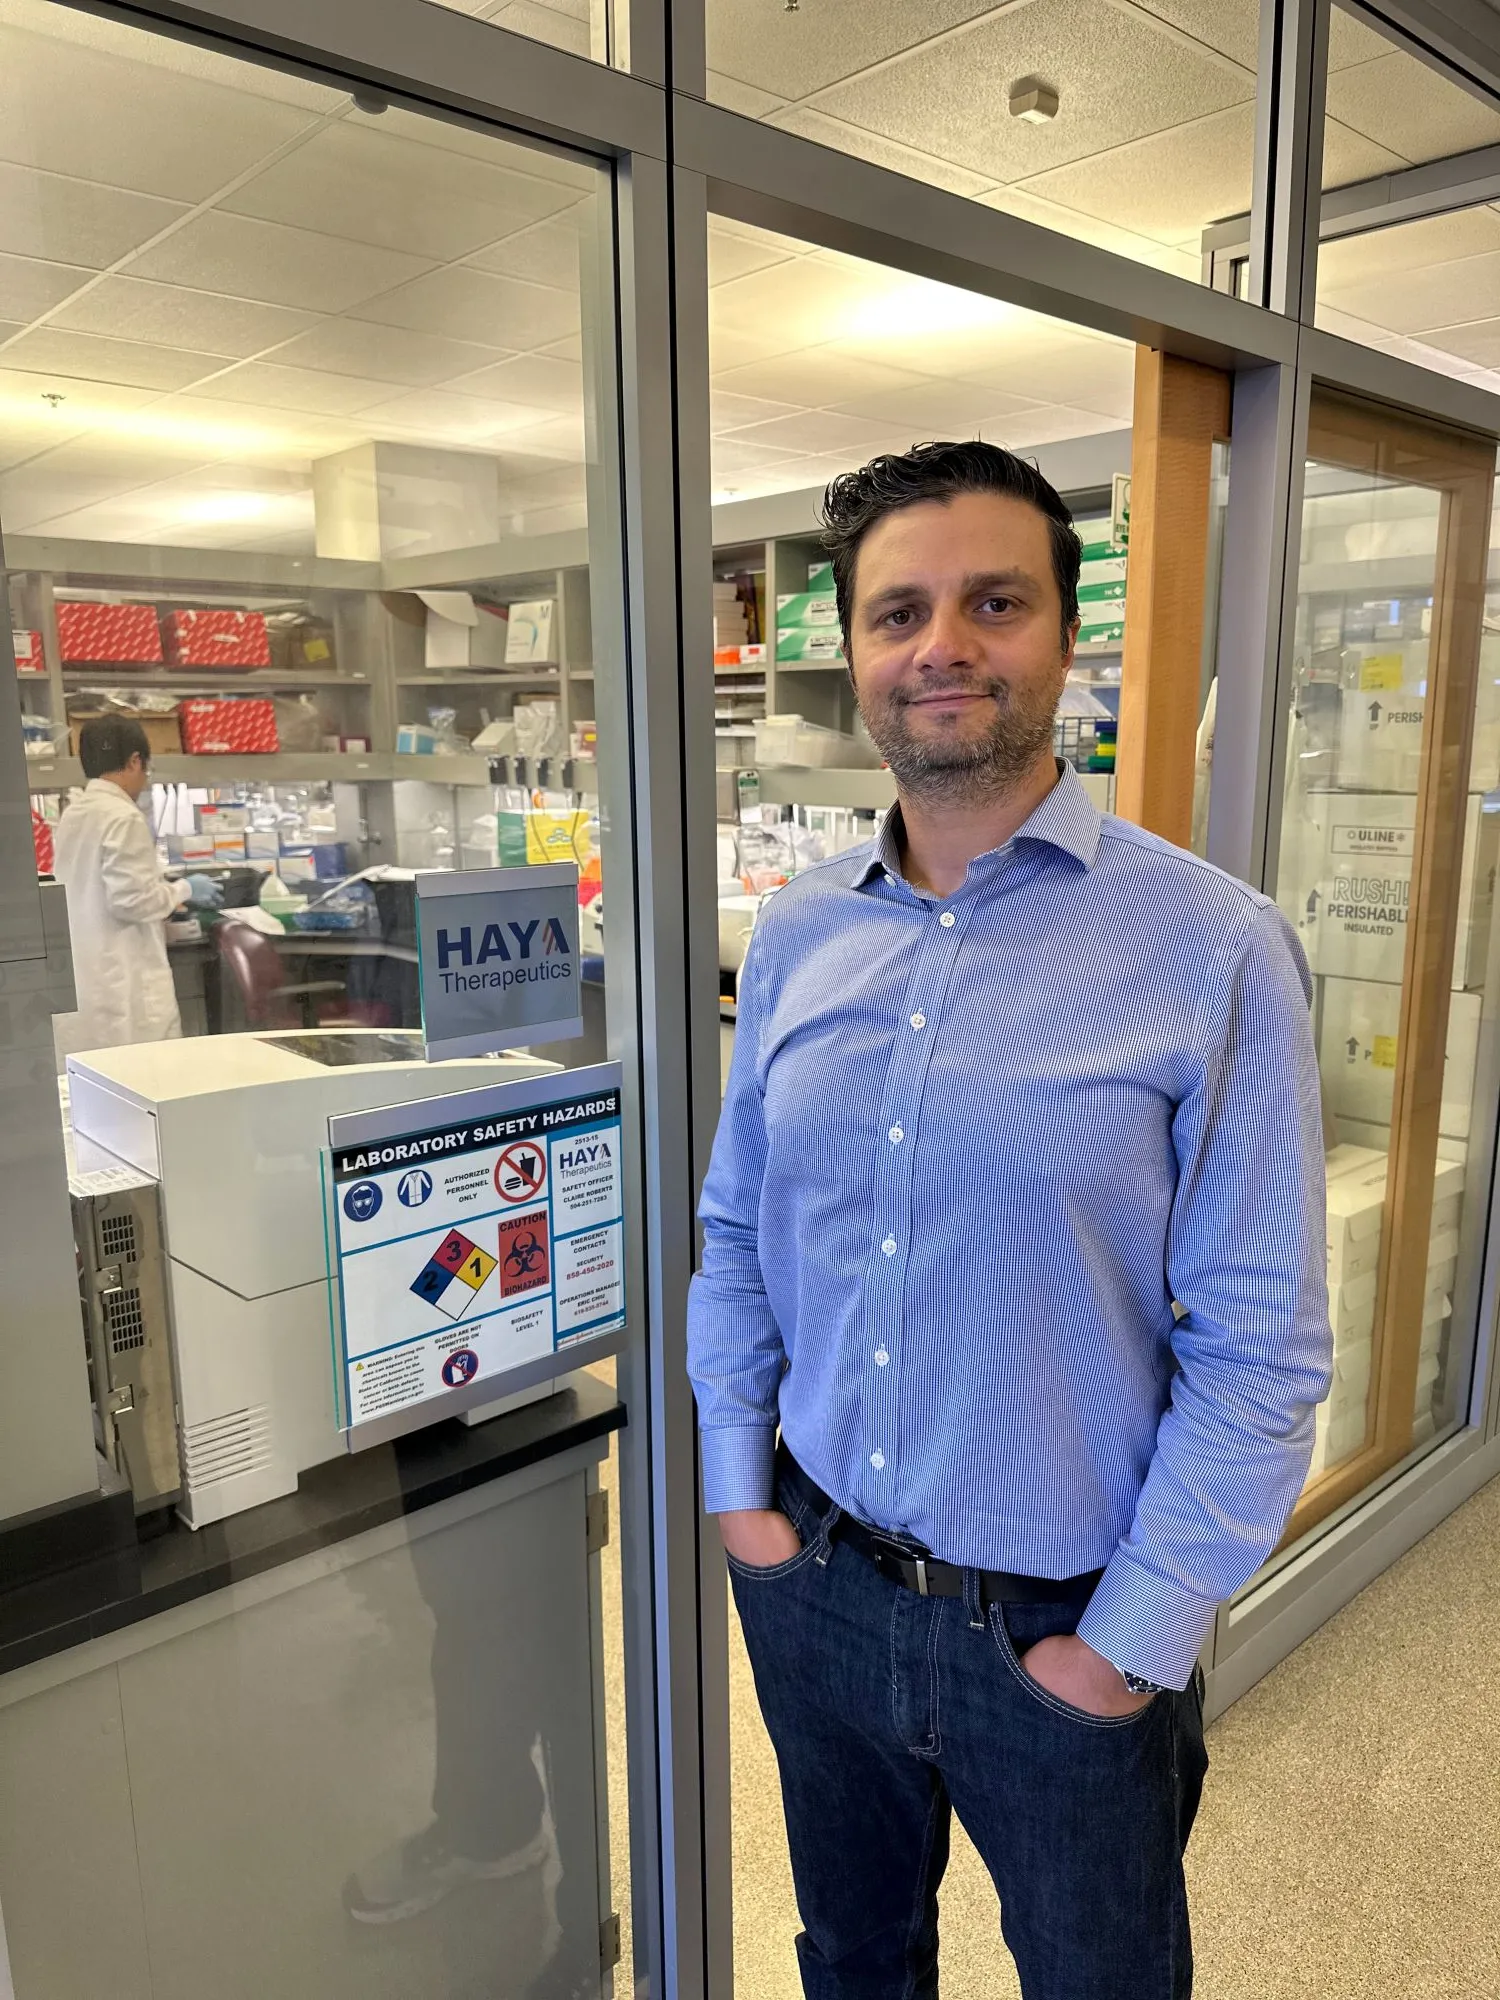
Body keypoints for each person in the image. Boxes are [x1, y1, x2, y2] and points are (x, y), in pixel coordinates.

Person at [687, 440, 1331, 2000]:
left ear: (1065, 634)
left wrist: (1124, 1652)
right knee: (852, 1960)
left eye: (995, 602)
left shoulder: (1213, 948)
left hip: (1065, 1631)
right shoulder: (797, 937)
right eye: (899, 612)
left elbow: (1262, 1351)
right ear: (853, 653)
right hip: (816, 1584)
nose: (944, 646)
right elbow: (736, 1234)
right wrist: (742, 1508)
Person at [52, 717, 217, 1063]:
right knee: (145, 1085)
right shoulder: (123, 817)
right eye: (145, 769)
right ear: (134, 761)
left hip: (83, 978)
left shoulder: (75, 813)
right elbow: (133, 902)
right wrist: (183, 889)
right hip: (122, 988)